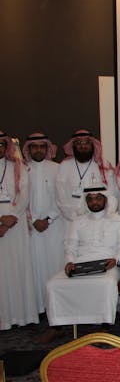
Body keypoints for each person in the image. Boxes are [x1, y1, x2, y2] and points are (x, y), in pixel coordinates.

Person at [46, 186, 120, 329]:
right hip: (81, 262)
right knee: (53, 284)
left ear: (106, 199)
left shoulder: (119, 220)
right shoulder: (77, 221)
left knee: (107, 283)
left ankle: (105, 324)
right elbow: (70, 245)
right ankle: (57, 327)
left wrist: (116, 259)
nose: (94, 202)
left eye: (98, 198)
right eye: (90, 199)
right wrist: (69, 262)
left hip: (109, 263)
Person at [23, 133, 66, 318]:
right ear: (28, 149)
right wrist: (32, 220)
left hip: (54, 226)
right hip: (31, 228)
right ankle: (39, 308)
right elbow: (20, 200)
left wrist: (48, 219)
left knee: (55, 266)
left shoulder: (57, 169)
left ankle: (57, 308)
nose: (38, 150)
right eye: (34, 147)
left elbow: (62, 198)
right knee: (35, 268)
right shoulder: (22, 170)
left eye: (42, 146)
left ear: (48, 148)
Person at [0, 131, 38, 329]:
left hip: (15, 225)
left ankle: (20, 316)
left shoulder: (19, 167)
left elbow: (24, 195)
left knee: (16, 269)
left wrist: (10, 219)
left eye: (1, 144)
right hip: (2, 223)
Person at [56, 129, 117, 224]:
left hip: (98, 220)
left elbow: (111, 192)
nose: (83, 146)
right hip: (71, 221)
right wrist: (74, 217)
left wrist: (101, 216)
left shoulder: (103, 165)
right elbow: (60, 194)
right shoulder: (65, 165)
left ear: (92, 145)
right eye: (79, 143)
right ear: (73, 146)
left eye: (87, 143)